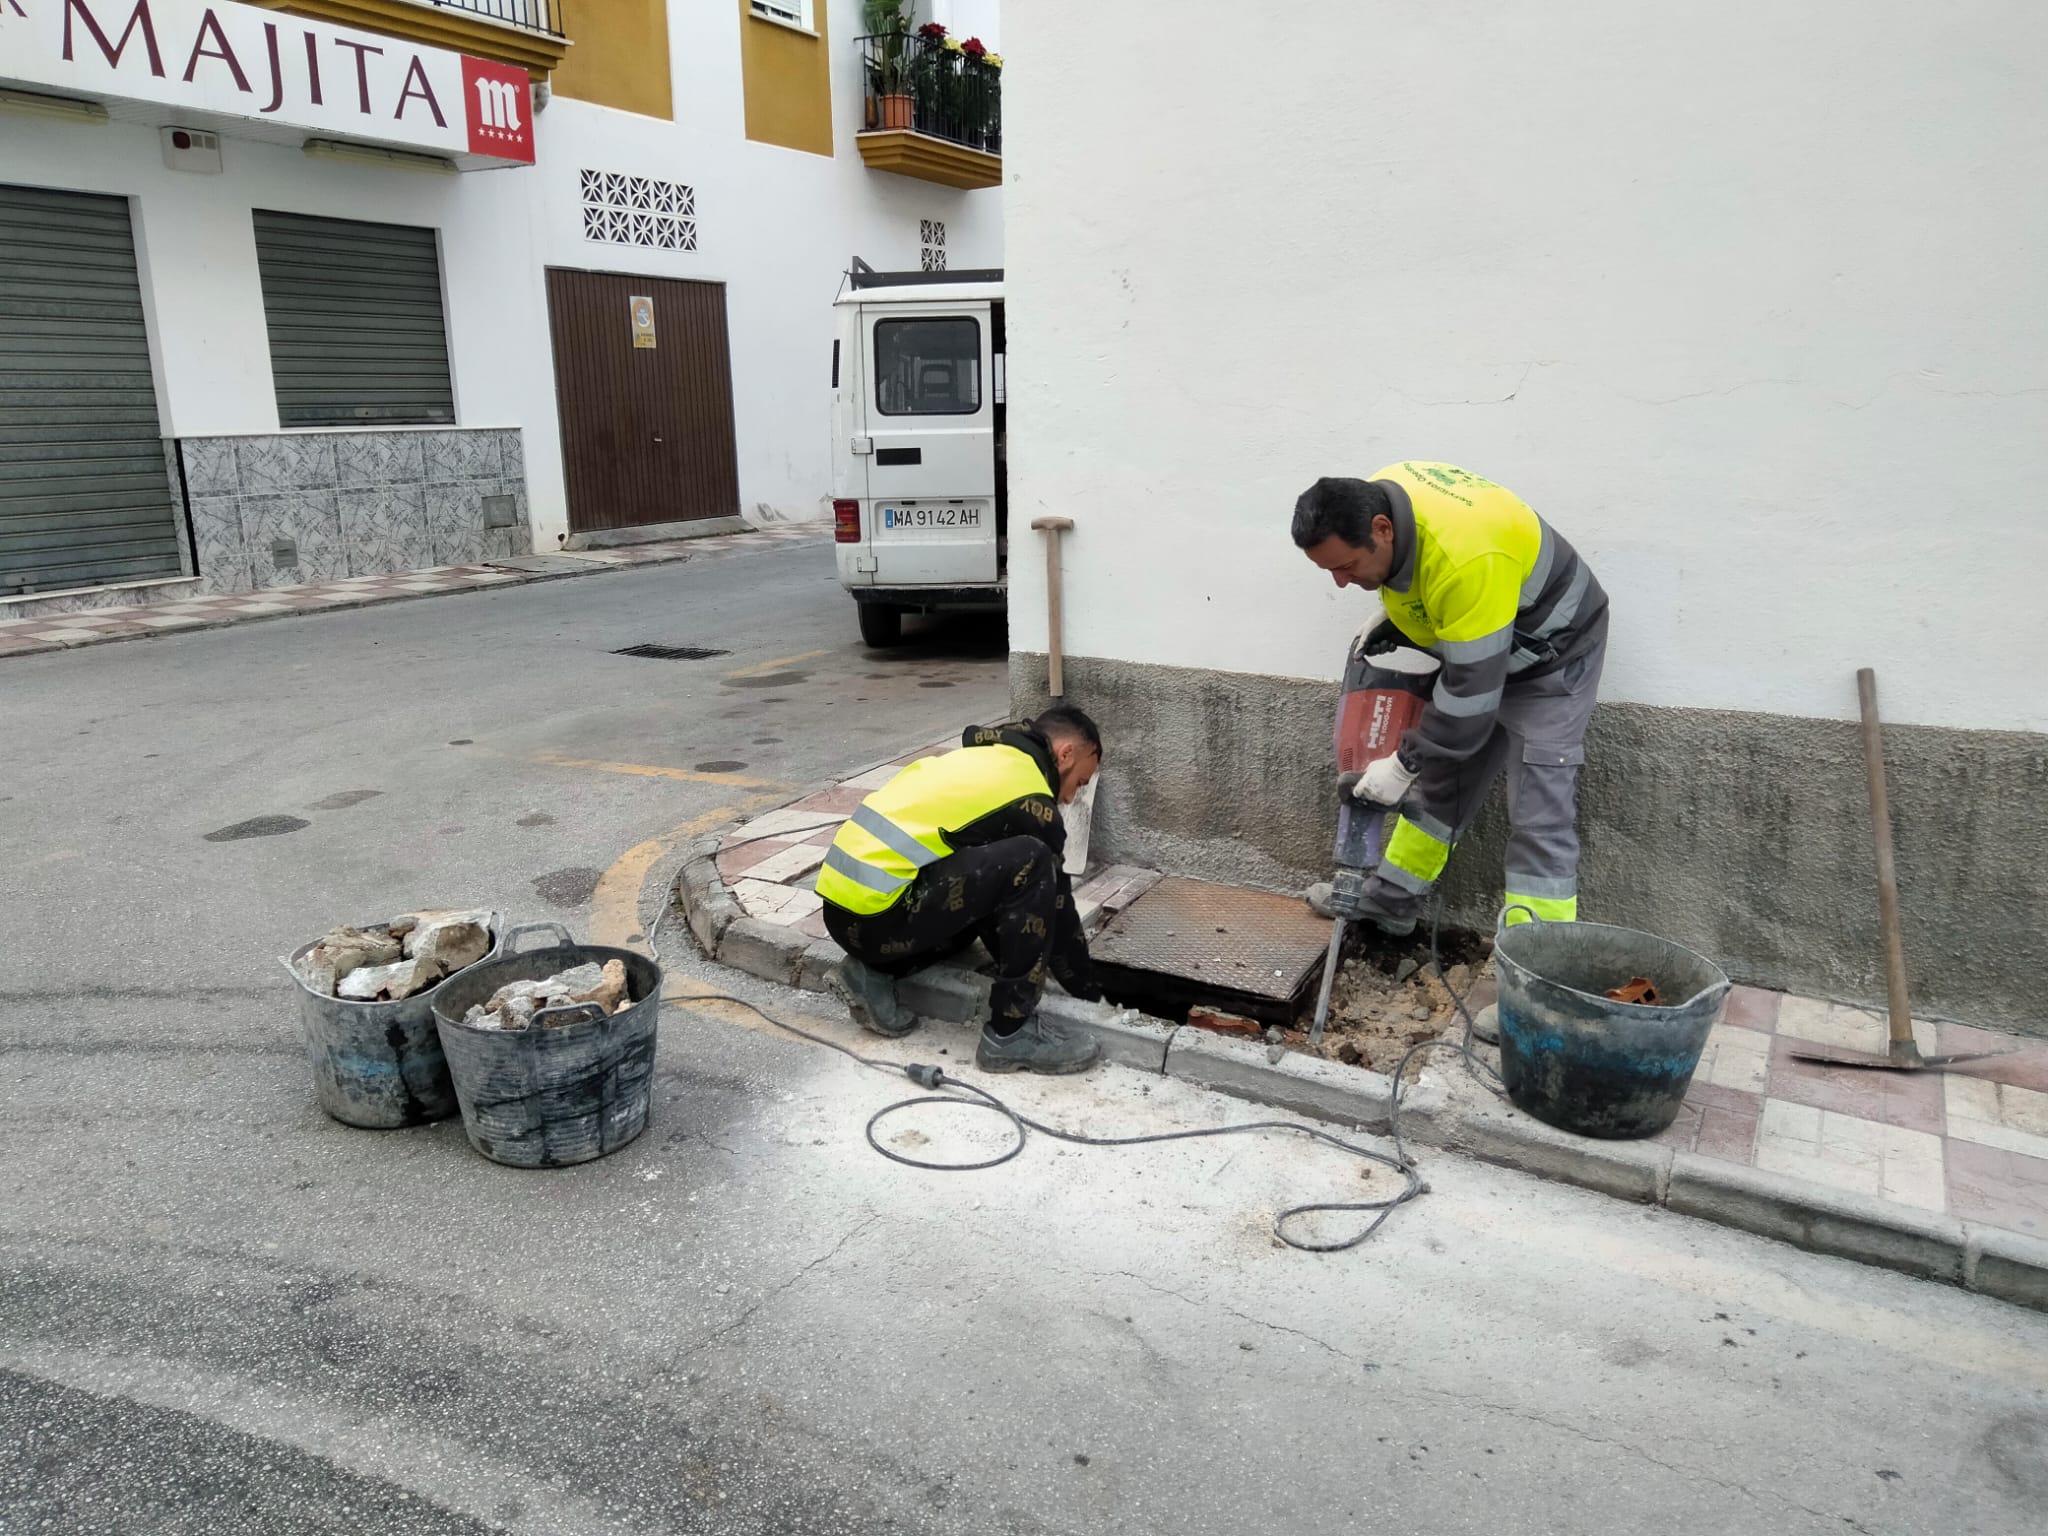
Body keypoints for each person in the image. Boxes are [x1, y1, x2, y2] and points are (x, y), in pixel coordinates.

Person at [1291, 462, 1609, 934]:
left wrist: (1403, 764)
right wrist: (1398, 619)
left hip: (1553, 654)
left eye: (1347, 567)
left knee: (1539, 810)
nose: (1341, 581)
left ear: (1382, 530)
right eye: (1330, 570)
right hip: (1485, 637)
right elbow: (1437, 593)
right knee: (1443, 778)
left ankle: (1536, 960)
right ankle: (1391, 902)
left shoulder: (1467, 557)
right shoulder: (1381, 498)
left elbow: (1469, 701)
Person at [814, 706, 1108, 1074]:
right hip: (880, 920)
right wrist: (1086, 989)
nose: (1070, 798)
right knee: (1033, 861)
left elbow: (986, 883)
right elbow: (1057, 910)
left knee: (980, 904)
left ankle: (871, 972)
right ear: (1066, 754)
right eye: (1079, 783)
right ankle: (1010, 1033)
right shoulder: (1031, 798)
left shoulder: (984, 758)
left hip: (842, 915)